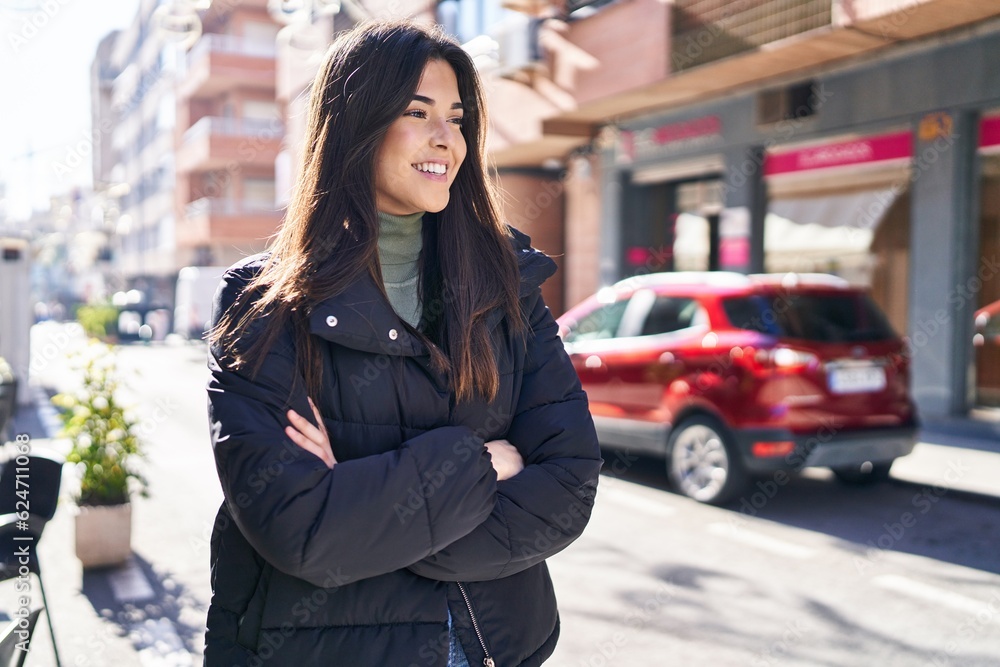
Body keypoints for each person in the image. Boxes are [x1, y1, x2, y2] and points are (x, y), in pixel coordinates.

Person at [204, 18, 602, 667]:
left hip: (492, 644)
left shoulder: (506, 283)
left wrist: (365, 504)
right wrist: (479, 463)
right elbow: (298, 529)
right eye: (418, 113)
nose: (446, 138)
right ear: (355, 125)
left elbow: (569, 482)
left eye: (457, 118)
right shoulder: (263, 305)